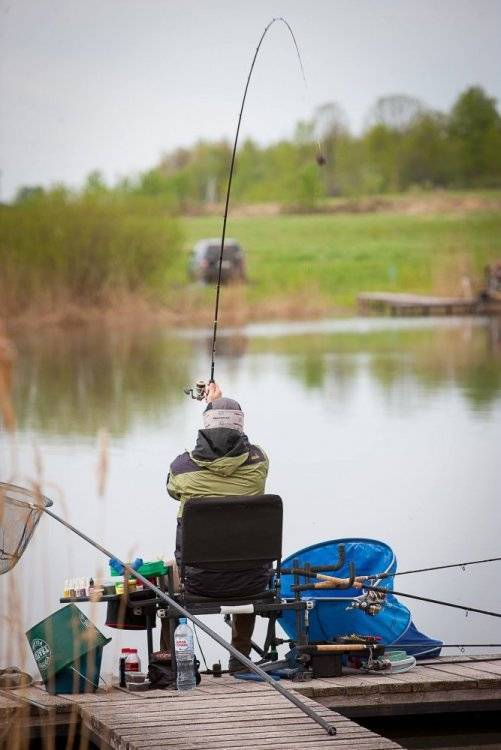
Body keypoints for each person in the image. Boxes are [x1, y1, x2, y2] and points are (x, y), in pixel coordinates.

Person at [165, 382, 269, 673]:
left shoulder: (181, 468)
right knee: (244, 562)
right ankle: (239, 659)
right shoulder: (259, 464)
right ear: (241, 428)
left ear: (204, 429)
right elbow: (245, 447)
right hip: (253, 581)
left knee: (163, 574)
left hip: (199, 581)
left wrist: (213, 408)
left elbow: (173, 491)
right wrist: (221, 404)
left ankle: (169, 664)